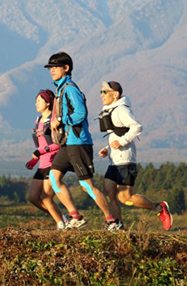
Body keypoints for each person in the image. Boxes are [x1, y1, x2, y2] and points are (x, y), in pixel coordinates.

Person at [45, 52, 121, 231]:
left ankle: (112, 221)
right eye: (50, 68)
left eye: (55, 67)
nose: (52, 71)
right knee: (54, 179)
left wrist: (61, 120)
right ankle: (76, 217)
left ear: (66, 68)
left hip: (78, 142)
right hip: (67, 143)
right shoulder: (60, 89)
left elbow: (81, 114)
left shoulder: (70, 88)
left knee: (87, 185)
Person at [97, 81, 173, 230]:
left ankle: (159, 208)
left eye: (105, 91)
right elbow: (116, 134)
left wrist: (122, 141)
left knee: (125, 197)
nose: (102, 94)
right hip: (114, 161)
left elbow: (137, 127)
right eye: (101, 91)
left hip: (126, 160)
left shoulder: (121, 110)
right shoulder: (110, 110)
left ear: (116, 94)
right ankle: (117, 225)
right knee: (108, 192)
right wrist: (107, 149)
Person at [25, 89, 66, 230]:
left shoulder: (53, 121)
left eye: (39, 101)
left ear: (48, 103)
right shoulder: (37, 121)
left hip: (52, 164)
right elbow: (39, 145)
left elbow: (58, 143)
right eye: (35, 101)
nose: (36, 103)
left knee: (46, 198)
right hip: (41, 165)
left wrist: (42, 151)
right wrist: (34, 160)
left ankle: (61, 224)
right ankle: (62, 218)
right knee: (33, 197)